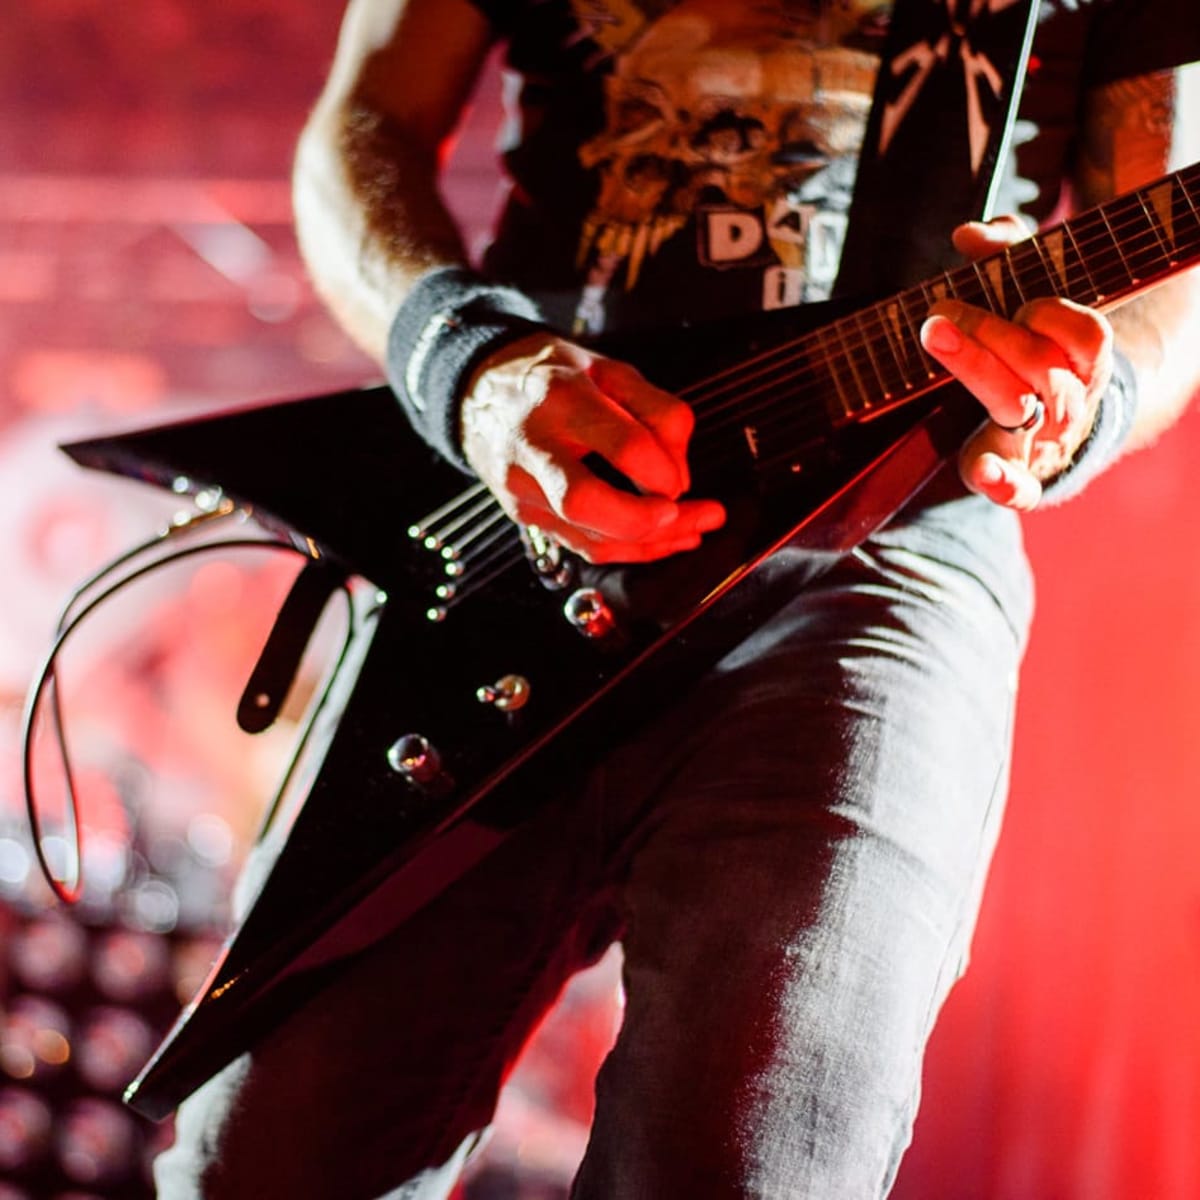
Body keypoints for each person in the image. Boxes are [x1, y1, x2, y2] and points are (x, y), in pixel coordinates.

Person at [155, 1, 1200, 1196]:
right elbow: (364, 124)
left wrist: (1087, 397)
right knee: (266, 1162)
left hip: (883, 561)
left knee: (756, 1154)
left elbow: (1166, 268)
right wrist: (470, 367)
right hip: (529, 512)